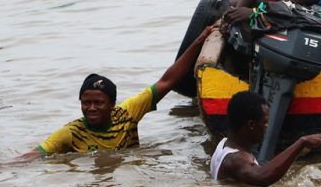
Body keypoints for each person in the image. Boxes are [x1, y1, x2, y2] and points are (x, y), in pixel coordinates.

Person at [15, 26, 213, 159]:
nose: (91, 108)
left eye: (98, 103)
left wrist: (199, 40)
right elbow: (36, 154)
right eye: (86, 102)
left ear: (112, 104)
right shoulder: (71, 133)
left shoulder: (127, 113)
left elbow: (167, 81)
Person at [210, 90, 321, 186]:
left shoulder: (224, 144)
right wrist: (302, 142)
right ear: (251, 125)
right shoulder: (235, 160)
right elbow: (262, 177)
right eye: (265, 123)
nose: (267, 127)